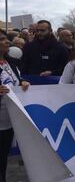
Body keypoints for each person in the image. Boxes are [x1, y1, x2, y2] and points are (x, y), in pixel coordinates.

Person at [0, 29, 30, 182]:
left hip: (8, 119)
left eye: (6, 39)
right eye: (2, 39)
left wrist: (22, 81)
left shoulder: (9, 62)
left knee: (3, 157)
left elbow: (15, 79)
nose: (7, 42)